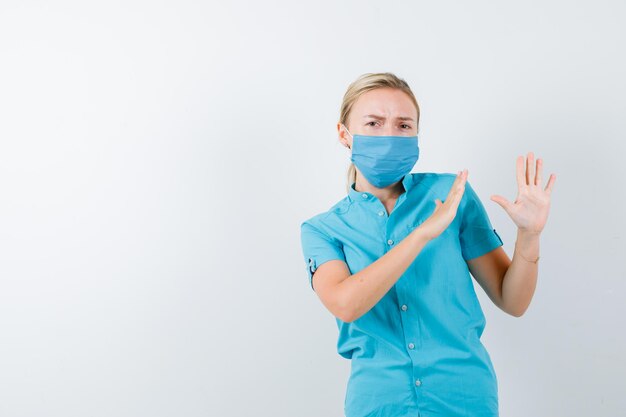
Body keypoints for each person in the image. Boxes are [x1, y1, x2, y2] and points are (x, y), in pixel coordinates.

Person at [299, 72, 556, 417]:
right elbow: (346, 304)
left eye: (404, 126)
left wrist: (530, 235)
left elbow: (513, 300)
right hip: (380, 404)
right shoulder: (324, 230)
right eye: (373, 123)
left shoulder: (452, 196)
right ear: (345, 134)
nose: (390, 135)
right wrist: (421, 234)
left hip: (466, 399)